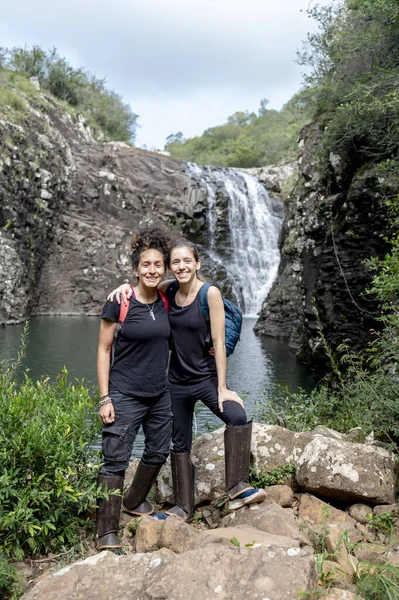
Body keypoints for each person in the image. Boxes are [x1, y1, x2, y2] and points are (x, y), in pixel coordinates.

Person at [109, 238, 266, 522]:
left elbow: (218, 341)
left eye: (186, 261)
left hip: (205, 378)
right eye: (175, 262)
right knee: (179, 442)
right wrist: (123, 288)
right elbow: (142, 288)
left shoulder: (210, 293)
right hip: (176, 382)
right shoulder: (168, 290)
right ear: (170, 268)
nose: (181, 266)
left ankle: (237, 487)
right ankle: (183, 507)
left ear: (197, 263)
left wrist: (223, 387)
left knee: (237, 416)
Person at [96, 226, 173, 551]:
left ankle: (134, 499)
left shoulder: (168, 298)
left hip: (159, 393)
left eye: (158, 264)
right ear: (136, 269)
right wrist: (105, 397)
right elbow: (103, 350)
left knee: (157, 450)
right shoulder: (119, 302)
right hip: (125, 393)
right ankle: (106, 533)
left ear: (164, 267)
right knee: (115, 460)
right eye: (146, 265)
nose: (152, 270)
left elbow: (194, 286)